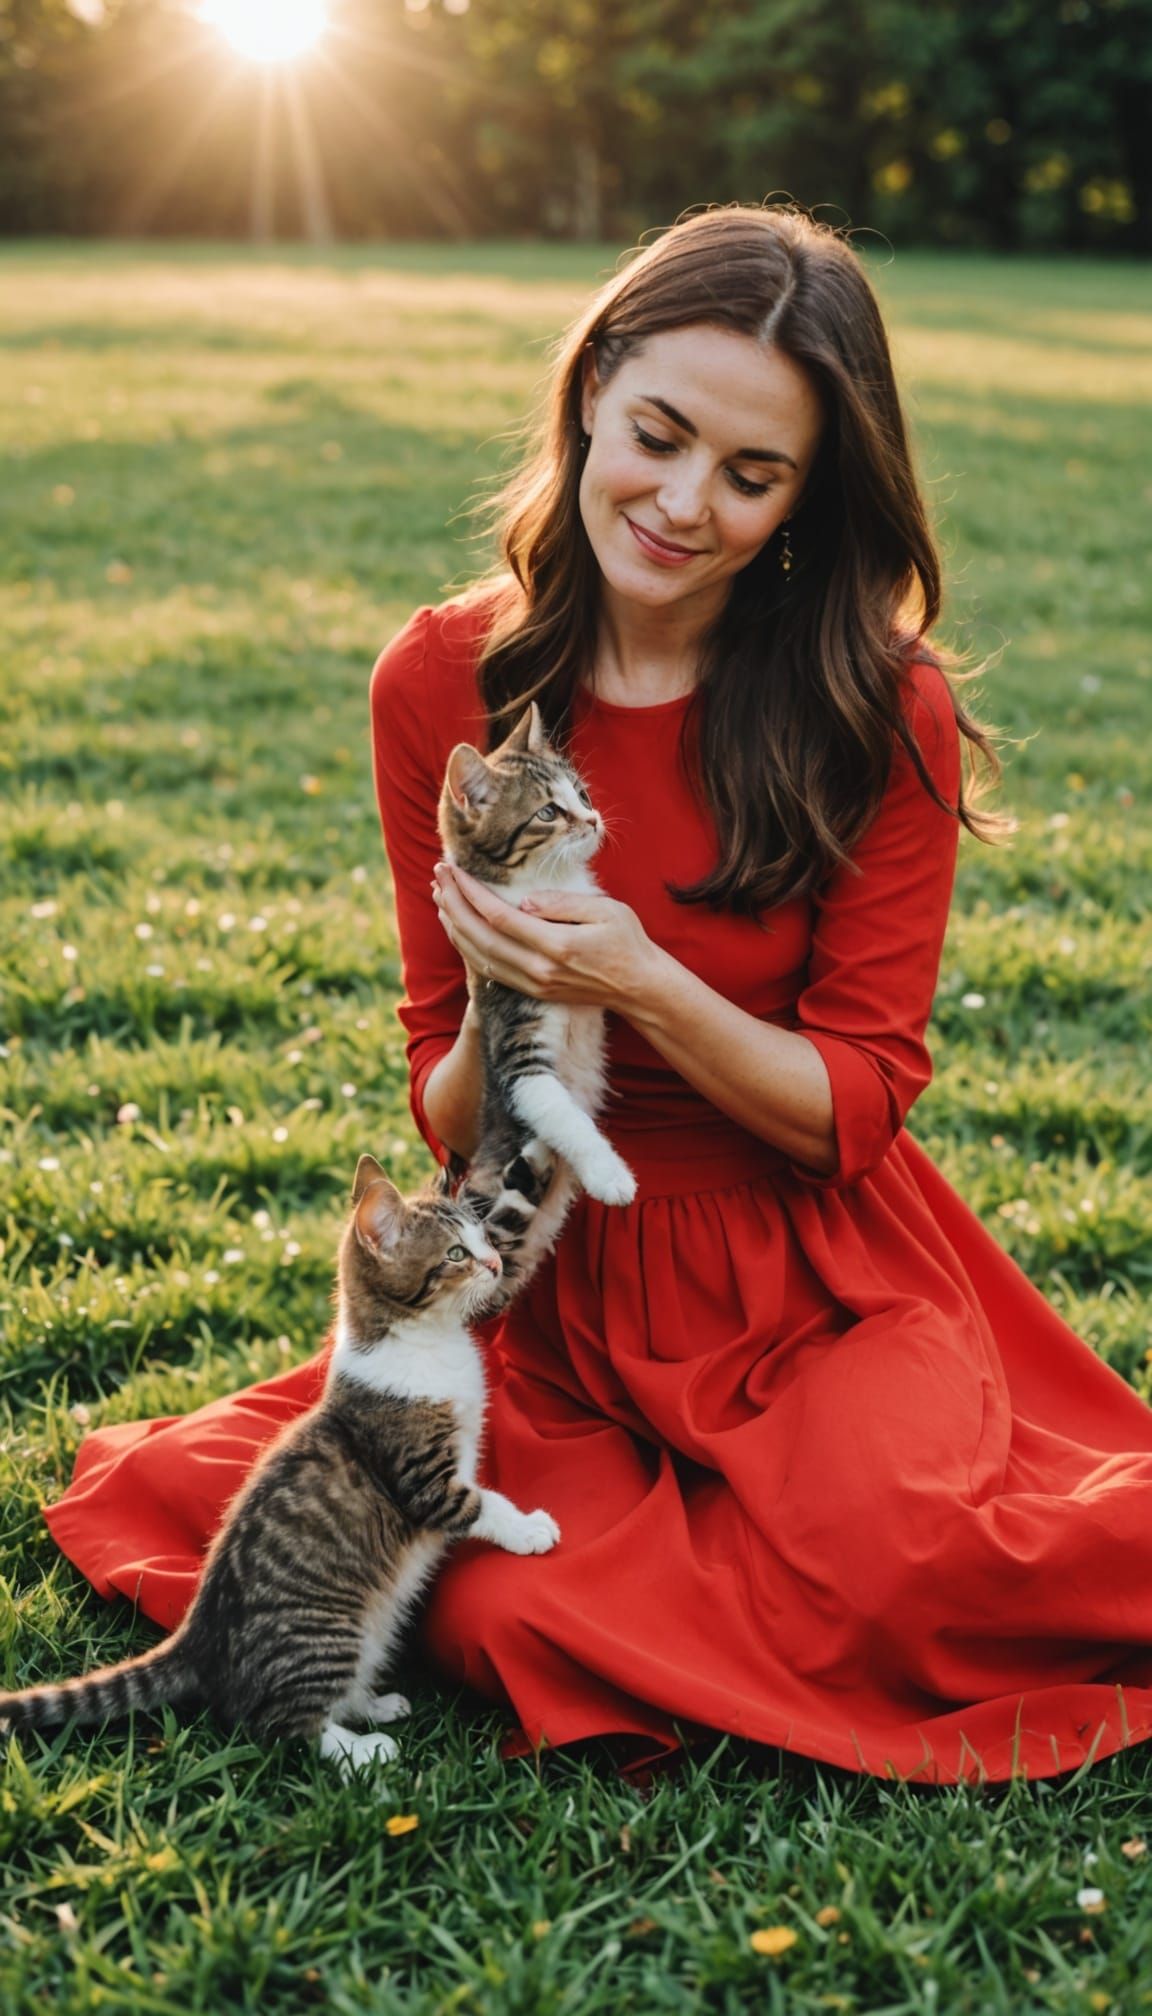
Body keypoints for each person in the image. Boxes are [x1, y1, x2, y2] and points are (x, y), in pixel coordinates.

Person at [46, 204, 1152, 1785]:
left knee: (920, 1576)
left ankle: (802, 1536)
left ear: (806, 500)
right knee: (483, 1593)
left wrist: (638, 976)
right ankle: (682, 1565)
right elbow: (444, 1095)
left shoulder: (876, 702)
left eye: (753, 475)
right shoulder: (442, 682)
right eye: (660, 434)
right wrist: (510, 996)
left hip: (812, 1272)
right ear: (591, 391)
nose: (685, 504)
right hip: (550, 1291)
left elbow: (851, 1112)